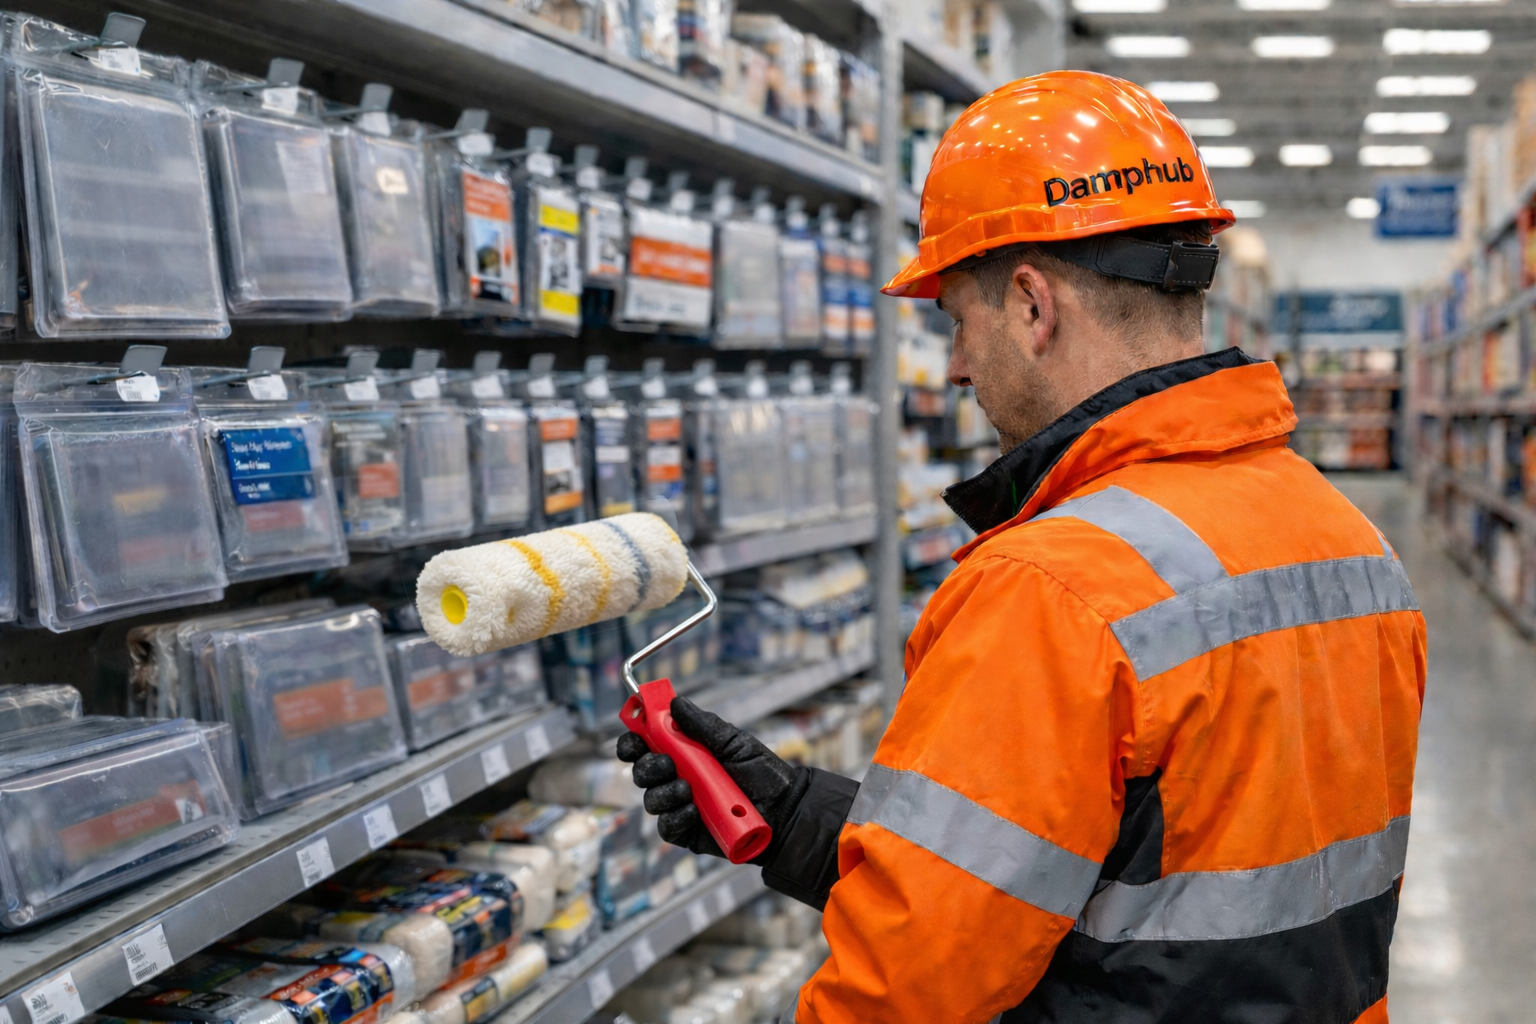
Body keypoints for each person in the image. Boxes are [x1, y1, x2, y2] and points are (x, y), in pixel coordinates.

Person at [618, 70, 1426, 1024]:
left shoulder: (1054, 590)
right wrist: (798, 820)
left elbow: (906, 995)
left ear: (1034, 306)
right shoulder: (1348, 541)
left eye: (959, 320)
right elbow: (1163, 867)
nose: (955, 363)